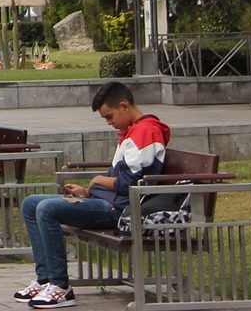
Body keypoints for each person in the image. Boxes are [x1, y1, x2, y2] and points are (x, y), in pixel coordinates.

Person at [13, 82, 172, 308]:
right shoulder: (132, 131)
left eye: (109, 116)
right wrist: (87, 192)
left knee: (47, 209)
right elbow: (121, 178)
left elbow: (130, 183)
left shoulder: (146, 132)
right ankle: (45, 279)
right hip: (103, 201)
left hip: (119, 209)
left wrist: (97, 181)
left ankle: (61, 287)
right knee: (31, 204)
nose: (109, 123)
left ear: (124, 106)